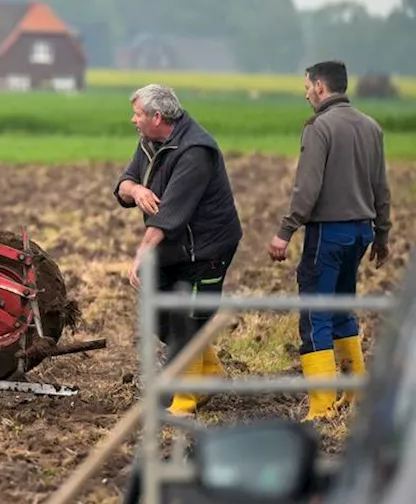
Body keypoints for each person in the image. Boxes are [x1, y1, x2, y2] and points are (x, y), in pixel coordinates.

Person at [267, 60, 391, 421]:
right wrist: (382, 235)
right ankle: (354, 396)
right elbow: (381, 188)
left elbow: (307, 187)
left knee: (315, 315)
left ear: (320, 86)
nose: (306, 92)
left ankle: (321, 407)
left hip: (327, 234)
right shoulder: (371, 127)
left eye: (307, 85)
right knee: (342, 308)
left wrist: (285, 230)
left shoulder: (319, 128)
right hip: (361, 232)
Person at [113, 83, 243, 417]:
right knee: (160, 313)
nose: (133, 120)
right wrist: (137, 188)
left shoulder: (195, 150)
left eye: (138, 114)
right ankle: (211, 375)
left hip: (205, 247)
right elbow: (123, 183)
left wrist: (141, 255)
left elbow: (171, 213)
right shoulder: (149, 142)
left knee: (190, 319)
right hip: (173, 247)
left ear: (157, 116)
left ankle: (184, 402)